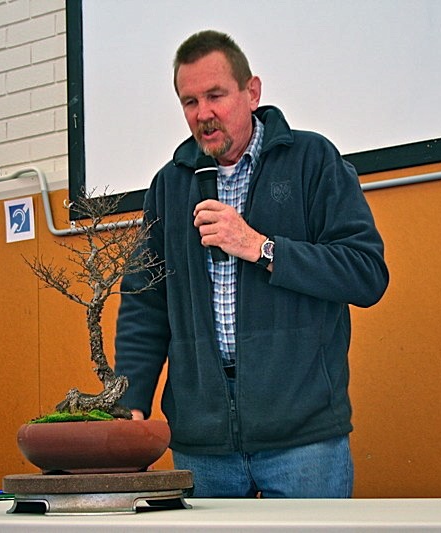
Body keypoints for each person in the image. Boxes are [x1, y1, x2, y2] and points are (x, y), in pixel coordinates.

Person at [114, 30, 388, 498]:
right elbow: (145, 303)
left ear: (252, 91)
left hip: (302, 441)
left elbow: (365, 273)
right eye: (190, 102)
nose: (203, 113)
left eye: (216, 95)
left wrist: (261, 247)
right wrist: (131, 400)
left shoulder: (311, 160)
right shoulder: (170, 185)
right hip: (202, 443)